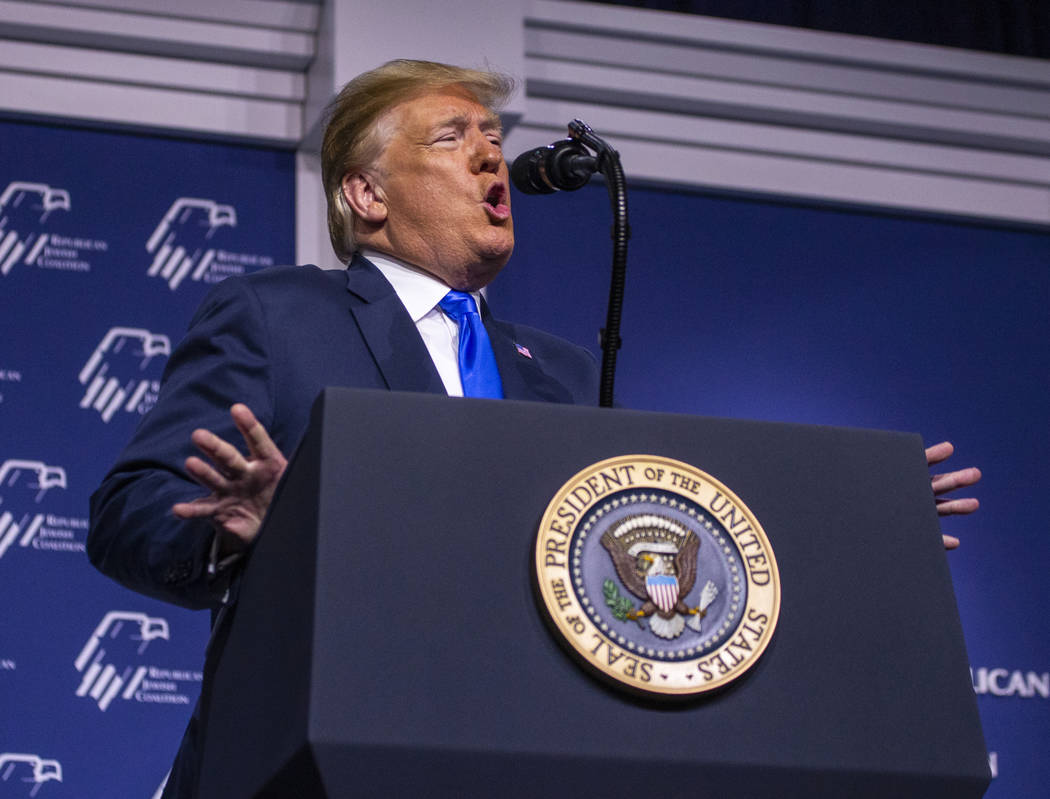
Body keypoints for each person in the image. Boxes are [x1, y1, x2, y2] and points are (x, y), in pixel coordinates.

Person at [87, 59, 980, 797]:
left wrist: (856, 533)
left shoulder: (561, 374)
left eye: (495, 141)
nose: (492, 161)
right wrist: (246, 536)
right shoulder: (277, 316)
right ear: (365, 193)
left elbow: (663, 535)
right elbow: (128, 510)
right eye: (454, 138)